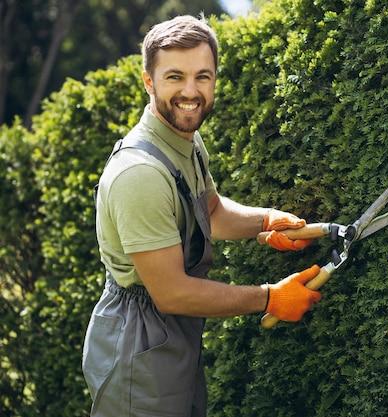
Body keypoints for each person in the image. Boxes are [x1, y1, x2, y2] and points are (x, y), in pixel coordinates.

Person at [81, 15, 322, 417]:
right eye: (175, 77)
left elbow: (209, 211)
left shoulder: (185, 141)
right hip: (140, 337)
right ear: (148, 81)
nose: (190, 92)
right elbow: (172, 292)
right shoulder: (140, 174)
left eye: (202, 77)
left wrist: (267, 221)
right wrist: (270, 298)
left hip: (172, 330)